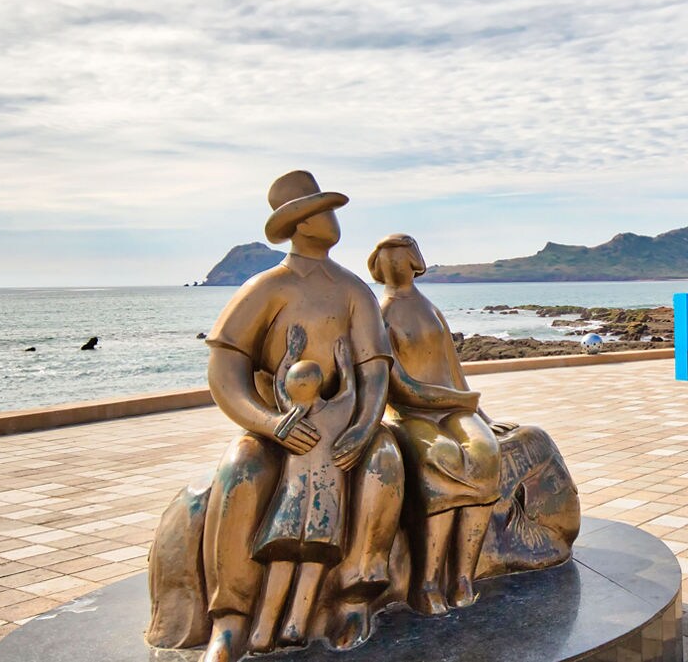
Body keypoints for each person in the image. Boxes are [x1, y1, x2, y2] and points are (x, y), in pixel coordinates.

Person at [198, 171, 404, 662]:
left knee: (385, 460)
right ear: (303, 222)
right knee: (241, 466)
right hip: (280, 425)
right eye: (324, 211)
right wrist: (268, 424)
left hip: (341, 423)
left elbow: (374, 370)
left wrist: (364, 424)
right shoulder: (266, 287)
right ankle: (230, 619)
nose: (334, 221)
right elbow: (225, 369)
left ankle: (355, 597)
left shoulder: (354, 289)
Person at [369, 234, 503, 615]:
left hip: (453, 408)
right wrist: (457, 401)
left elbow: (455, 371)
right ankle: (426, 582)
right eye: (388, 256)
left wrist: (482, 416)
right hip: (411, 413)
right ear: (378, 266)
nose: (396, 261)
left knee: (485, 452)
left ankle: (463, 577)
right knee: (441, 457)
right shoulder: (380, 313)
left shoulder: (429, 309)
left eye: (402, 254)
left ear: (415, 261)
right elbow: (399, 385)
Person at [249, 333, 357, 651]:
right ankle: (295, 624)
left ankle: (263, 629)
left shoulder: (289, 417)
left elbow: (279, 383)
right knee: (314, 561)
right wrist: (344, 361)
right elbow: (350, 390)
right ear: (320, 384)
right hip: (325, 504)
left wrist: (290, 354)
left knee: (281, 559)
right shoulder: (337, 413)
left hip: (291, 503)